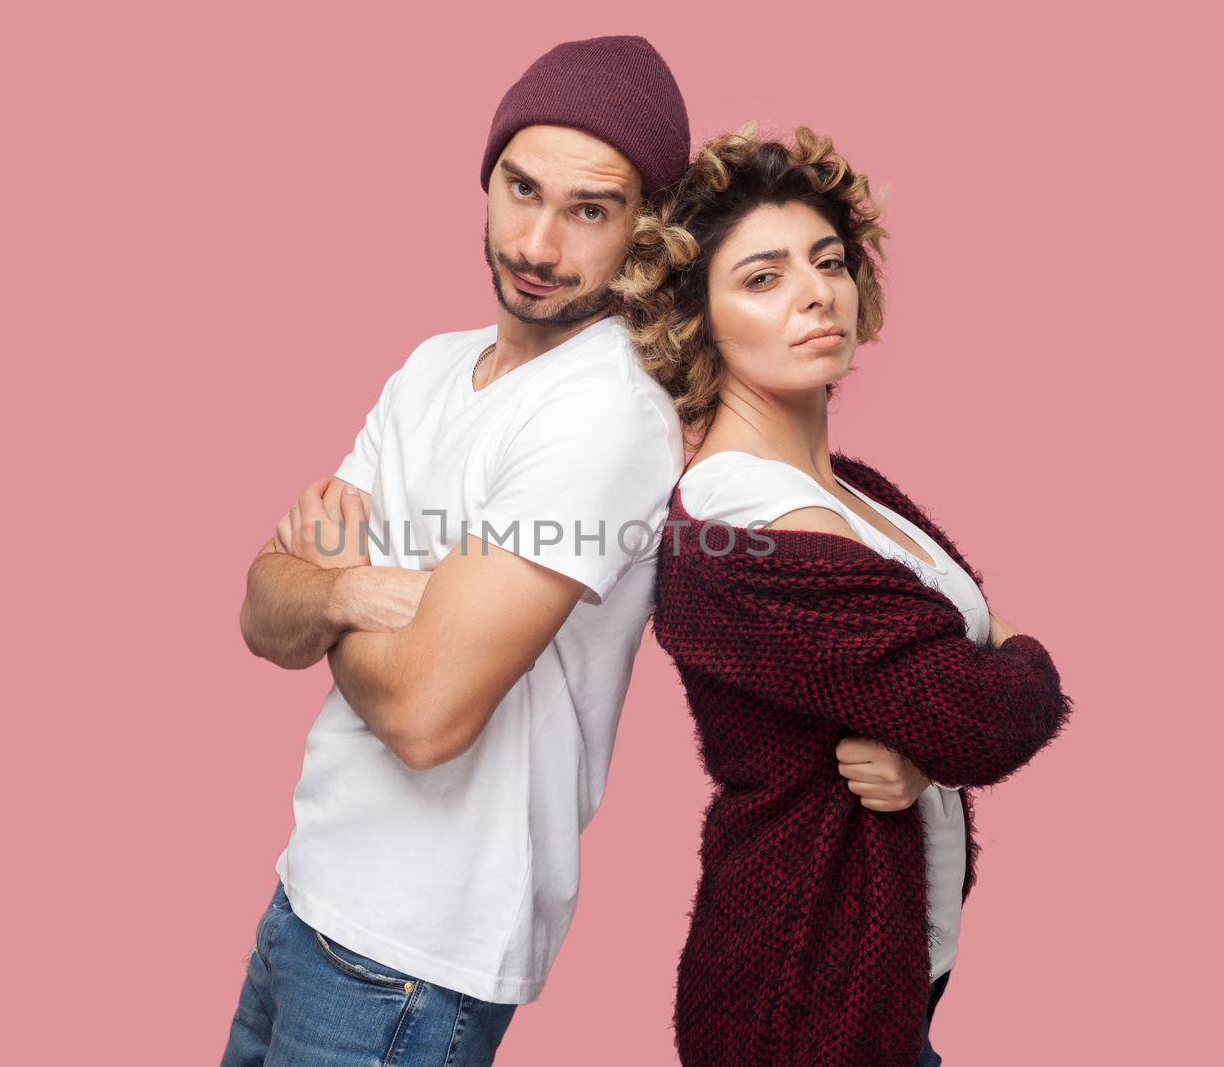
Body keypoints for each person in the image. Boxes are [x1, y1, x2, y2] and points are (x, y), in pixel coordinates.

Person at [220, 37, 691, 1067]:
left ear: (643, 231)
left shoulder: (604, 412)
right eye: (520, 189)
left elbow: (429, 715)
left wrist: (330, 586)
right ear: (484, 181)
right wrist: (372, 587)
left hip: (414, 959)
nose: (537, 241)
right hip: (308, 889)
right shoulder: (430, 370)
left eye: (589, 209)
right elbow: (261, 610)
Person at [615, 125, 1075, 1065]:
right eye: (763, 277)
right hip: (800, 999)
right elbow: (976, 708)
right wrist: (1007, 673)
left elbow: (944, 698)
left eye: (829, 261)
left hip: (890, 984)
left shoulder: (854, 492)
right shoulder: (738, 518)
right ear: (698, 321)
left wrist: (929, 748)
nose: (816, 291)